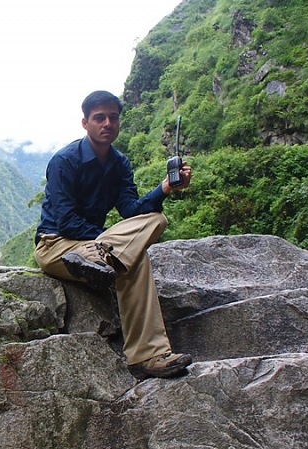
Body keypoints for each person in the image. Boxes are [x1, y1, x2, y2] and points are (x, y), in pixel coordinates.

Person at [34, 90, 192, 380]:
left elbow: (132, 211)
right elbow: (66, 222)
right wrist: (104, 241)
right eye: (99, 118)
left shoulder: (119, 164)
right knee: (133, 259)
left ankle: (146, 357)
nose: (107, 123)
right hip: (57, 246)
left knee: (156, 219)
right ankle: (148, 353)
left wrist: (165, 189)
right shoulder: (64, 161)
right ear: (85, 123)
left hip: (97, 249)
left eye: (113, 117)